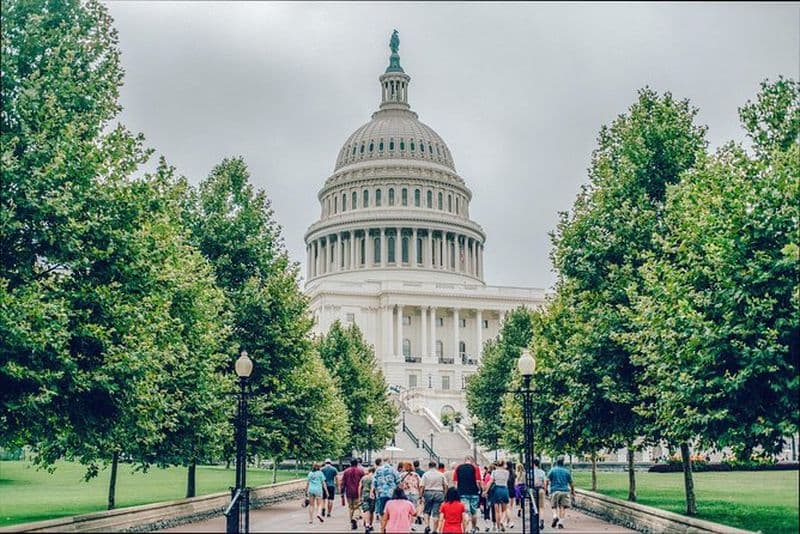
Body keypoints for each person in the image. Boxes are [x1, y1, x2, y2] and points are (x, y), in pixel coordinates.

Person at [453, 456, 483, 534]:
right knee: (474, 512)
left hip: (462, 492)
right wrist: (479, 490)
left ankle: (466, 529)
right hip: (474, 493)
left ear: (464, 460)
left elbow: (455, 483)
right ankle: (473, 528)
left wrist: (457, 491)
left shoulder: (458, 468)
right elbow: (477, 481)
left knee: (465, 512)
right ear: (472, 461)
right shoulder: (475, 468)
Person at [371, 457, 401, 532]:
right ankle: (389, 528)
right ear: (389, 461)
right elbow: (398, 481)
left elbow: (374, 481)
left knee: (382, 512)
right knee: (391, 512)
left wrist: (372, 492)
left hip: (381, 494)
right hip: (392, 494)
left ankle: (382, 528)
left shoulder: (378, 469)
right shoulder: (393, 469)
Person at [545, 456, 575, 529]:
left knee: (554, 506)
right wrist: (572, 491)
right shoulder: (566, 471)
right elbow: (571, 483)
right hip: (564, 491)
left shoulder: (552, 470)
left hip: (554, 490)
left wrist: (545, 489)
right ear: (563, 463)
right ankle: (560, 522)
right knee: (563, 507)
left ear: (556, 462)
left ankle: (555, 516)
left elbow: (547, 480)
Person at [420, 460, 447, 534]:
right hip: (439, 493)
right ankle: (435, 529)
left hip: (428, 492)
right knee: (436, 512)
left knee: (426, 511)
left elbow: (422, 486)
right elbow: (445, 485)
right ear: (436, 466)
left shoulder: (425, 474)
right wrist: (445, 494)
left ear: (429, 466)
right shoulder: (441, 474)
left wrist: (420, 496)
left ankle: (427, 525)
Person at [342, 458, 366, 530]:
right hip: (358, 492)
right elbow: (363, 482)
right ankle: (355, 518)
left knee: (350, 507)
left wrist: (342, 493)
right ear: (357, 464)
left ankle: (352, 522)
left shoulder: (346, 471)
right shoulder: (361, 471)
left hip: (348, 492)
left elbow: (343, 483)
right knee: (357, 507)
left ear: (350, 463)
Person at [489, 460, 510, 532]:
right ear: (503, 464)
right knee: (504, 509)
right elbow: (506, 481)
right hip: (504, 489)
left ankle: (498, 528)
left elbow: (490, 481)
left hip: (496, 490)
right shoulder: (507, 472)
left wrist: (485, 490)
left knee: (497, 511)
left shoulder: (494, 472)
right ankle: (502, 521)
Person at [360, 466, 377, 533]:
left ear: (369, 471)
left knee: (366, 510)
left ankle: (366, 525)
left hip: (364, 495)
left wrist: (359, 496)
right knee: (371, 511)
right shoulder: (374, 478)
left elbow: (360, 487)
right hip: (373, 495)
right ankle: (370, 525)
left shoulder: (364, 478)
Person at [532, 459, 546, 531]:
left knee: (534, 506)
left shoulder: (530, 472)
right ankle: (541, 520)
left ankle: (534, 522)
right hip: (541, 490)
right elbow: (545, 482)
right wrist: (545, 490)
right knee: (541, 507)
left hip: (533, 490)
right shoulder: (542, 472)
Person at [504, 461, 516, 529]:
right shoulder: (513, 473)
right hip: (512, 490)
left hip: (507, 490)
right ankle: (508, 522)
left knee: (507, 508)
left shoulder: (505, 472)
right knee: (510, 508)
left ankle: (510, 522)